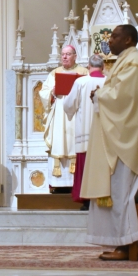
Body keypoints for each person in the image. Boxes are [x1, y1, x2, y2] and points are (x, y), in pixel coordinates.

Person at [80, 24, 138, 260]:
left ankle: (125, 246)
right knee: (121, 194)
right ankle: (133, 242)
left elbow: (123, 99)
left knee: (120, 194)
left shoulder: (134, 63)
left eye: (115, 36)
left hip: (125, 142)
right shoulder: (127, 61)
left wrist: (99, 95)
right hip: (121, 137)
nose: (110, 40)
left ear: (129, 39)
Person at [38, 45, 89, 186]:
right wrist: (53, 92)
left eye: (68, 54)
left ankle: (76, 183)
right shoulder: (55, 73)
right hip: (59, 114)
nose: (64, 57)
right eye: (63, 54)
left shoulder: (83, 72)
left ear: (75, 56)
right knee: (59, 141)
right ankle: (58, 184)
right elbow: (43, 92)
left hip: (76, 114)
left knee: (75, 142)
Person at [63, 54, 106, 210]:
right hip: (105, 134)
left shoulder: (81, 82)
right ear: (103, 67)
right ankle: (103, 197)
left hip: (85, 132)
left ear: (89, 66)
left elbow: (68, 105)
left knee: (85, 166)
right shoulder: (109, 82)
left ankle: (87, 201)